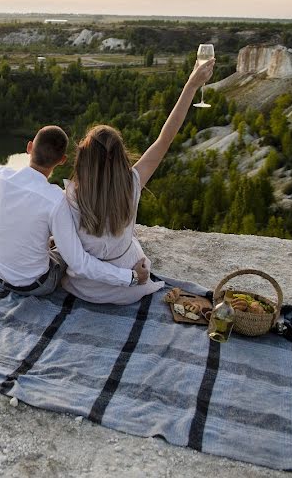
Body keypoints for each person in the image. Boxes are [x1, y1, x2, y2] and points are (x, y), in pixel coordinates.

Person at [61, 57, 216, 304]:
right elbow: (165, 139)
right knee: (129, 238)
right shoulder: (132, 182)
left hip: (85, 289)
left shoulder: (70, 196)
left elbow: (75, 257)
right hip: (129, 290)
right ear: (121, 157)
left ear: (84, 160)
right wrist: (191, 86)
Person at [0, 109, 146, 296]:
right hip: (34, 286)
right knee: (66, 255)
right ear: (62, 160)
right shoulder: (55, 200)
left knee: (53, 242)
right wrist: (130, 277)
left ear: (29, 147)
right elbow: (79, 263)